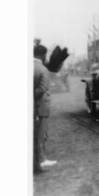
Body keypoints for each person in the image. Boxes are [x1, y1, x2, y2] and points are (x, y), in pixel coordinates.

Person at [33, 42, 57, 172]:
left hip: (34, 106)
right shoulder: (42, 69)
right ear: (43, 55)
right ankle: (42, 160)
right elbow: (42, 89)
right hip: (40, 105)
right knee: (41, 133)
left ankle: (40, 159)